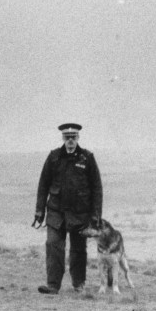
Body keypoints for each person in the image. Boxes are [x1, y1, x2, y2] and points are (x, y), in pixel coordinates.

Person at [32, 122, 104, 295]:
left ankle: (79, 285)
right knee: (53, 245)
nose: (70, 140)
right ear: (63, 138)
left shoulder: (87, 158)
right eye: (67, 137)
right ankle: (53, 286)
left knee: (78, 250)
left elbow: (97, 188)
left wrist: (95, 217)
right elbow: (43, 185)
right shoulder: (54, 157)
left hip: (80, 214)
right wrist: (39, 211)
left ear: (78, 138)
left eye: (73, 137)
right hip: (56, 212)